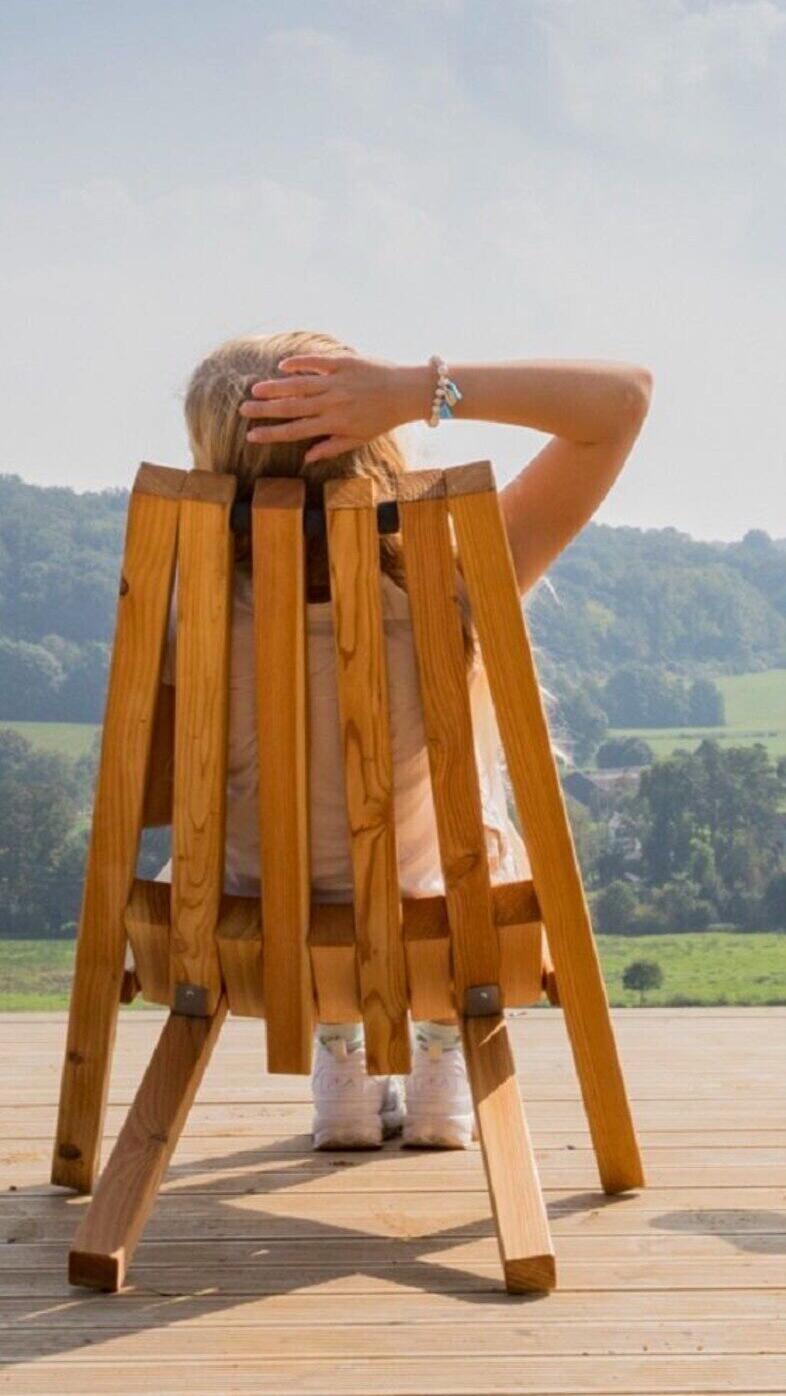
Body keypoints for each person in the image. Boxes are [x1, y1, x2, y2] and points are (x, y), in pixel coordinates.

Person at [182, 331, 652, 1153]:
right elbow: (624, 400)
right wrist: (414, 388)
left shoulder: (193, 598)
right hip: (447, 940)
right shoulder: (459, 571)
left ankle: (342, 1060)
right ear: (371, 441)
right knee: (459, 819)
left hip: (253, 934)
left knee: (291, 831)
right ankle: (441, 1056)